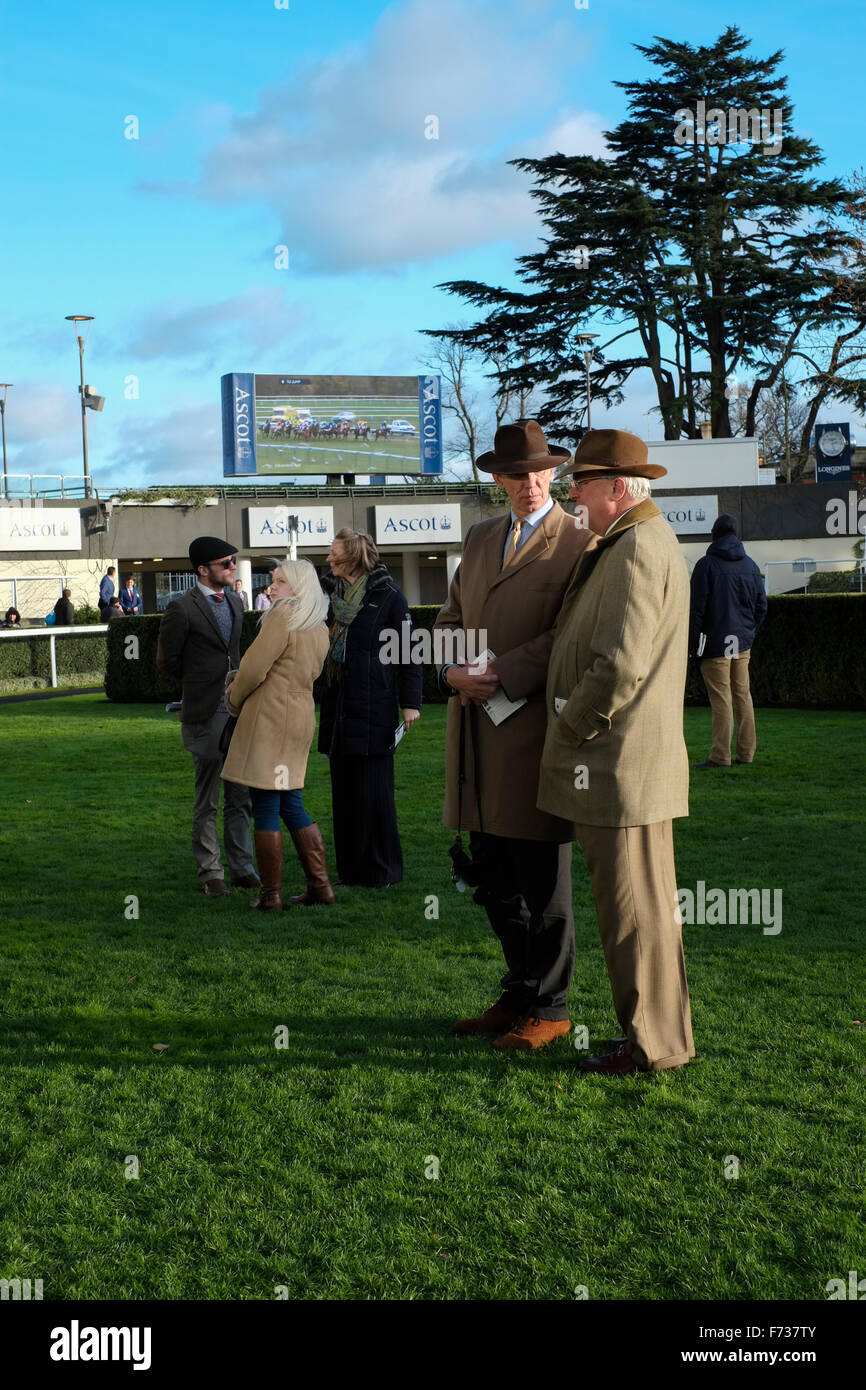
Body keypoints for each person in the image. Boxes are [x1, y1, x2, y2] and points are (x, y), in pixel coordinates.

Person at [538, 428, 695, 1077]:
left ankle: (651, 1045)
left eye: (583, 480)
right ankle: (656, 1038)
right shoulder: (637, 540)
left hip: (617, 765)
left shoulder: (634, 548)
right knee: (644, 914)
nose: (572, 490)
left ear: (617, 488)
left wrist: (569, 726)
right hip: (628, 766)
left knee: (632, 917)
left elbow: (619, 665)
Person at [434, 419, 595, 1051]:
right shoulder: (478, 539)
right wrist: (450, 668)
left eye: (538, 471)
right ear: (496, 479)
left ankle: (551, 1007)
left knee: (542, 879)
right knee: (492, 876)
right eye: (515, 474)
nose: (529, 484)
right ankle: (520, 991)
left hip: (536, 734)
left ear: (554, 472)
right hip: (476, 736)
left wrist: (504, 671)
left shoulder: (580, 540)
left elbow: (573, 633)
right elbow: (448, 619)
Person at [222, 560, 331, 910]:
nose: (273, 588)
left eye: (281, 582)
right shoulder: (318, 625)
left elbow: (254, 668)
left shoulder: (283, 616)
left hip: (270, 716)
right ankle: (320, 886)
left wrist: (233, 700)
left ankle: (270, 894)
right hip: (299, 716)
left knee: (267, 802)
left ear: (299, 586)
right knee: (290, 801)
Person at [317, 528, 422, 887]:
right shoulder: (328, 597)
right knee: (344, 795)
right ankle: (350, 871)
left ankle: (382, 871)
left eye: (334, 553)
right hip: (339, 710)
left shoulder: (389, 597)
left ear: (353, 557)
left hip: (375, 709)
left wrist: (410, 703)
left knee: (375, 794)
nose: (328, 559)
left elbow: (410, 654)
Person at [156, 536, 259, 897]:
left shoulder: (235, 601)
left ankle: (243, 868)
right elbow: (167, 661)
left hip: (237, 711)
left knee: (241, 794)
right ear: (202, 570)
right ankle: (210, 873)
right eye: (225, 562)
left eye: (233, 560)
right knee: (208, 798)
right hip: (203, 713)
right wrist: (199, 686)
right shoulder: (180, 609)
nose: (233, 566)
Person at [689, 513, 768, 768]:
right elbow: (761, 607)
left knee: (722, 699)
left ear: (715, 534)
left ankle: (720, 756)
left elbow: (696, 610)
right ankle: (746, 754)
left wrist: (691, 646)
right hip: (741, 643)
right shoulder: (751, 566)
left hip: (714, 645)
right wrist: (748, 632)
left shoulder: (706, 565)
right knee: (743, 696)